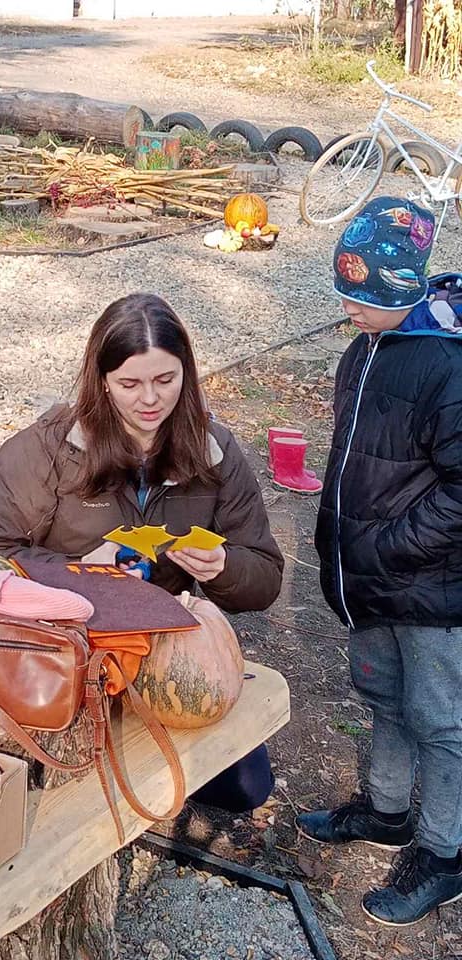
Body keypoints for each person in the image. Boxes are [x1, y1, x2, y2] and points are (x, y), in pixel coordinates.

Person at [0, 292, 284, 811]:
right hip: (65, 643)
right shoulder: (46, 449)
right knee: (50, 791)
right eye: (130, 384)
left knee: (246, 789)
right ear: (102, 380)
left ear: (187, 373)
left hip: (161, 643)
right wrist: (76, 572)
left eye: (166, 380)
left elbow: (266, 574)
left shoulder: (213, 450)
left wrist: (225, 567)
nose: (150, 400)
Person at [297, 196, 462, 927]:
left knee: (441, 720)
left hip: (429, 592)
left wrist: (391, 546)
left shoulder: (444, 367)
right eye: (344, 290)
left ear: (402, 288)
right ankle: (388, 810)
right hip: (367, 579)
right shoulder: (361, 349)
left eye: (361, 294)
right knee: (384, 702)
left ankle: (445, 852)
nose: (346, 306)